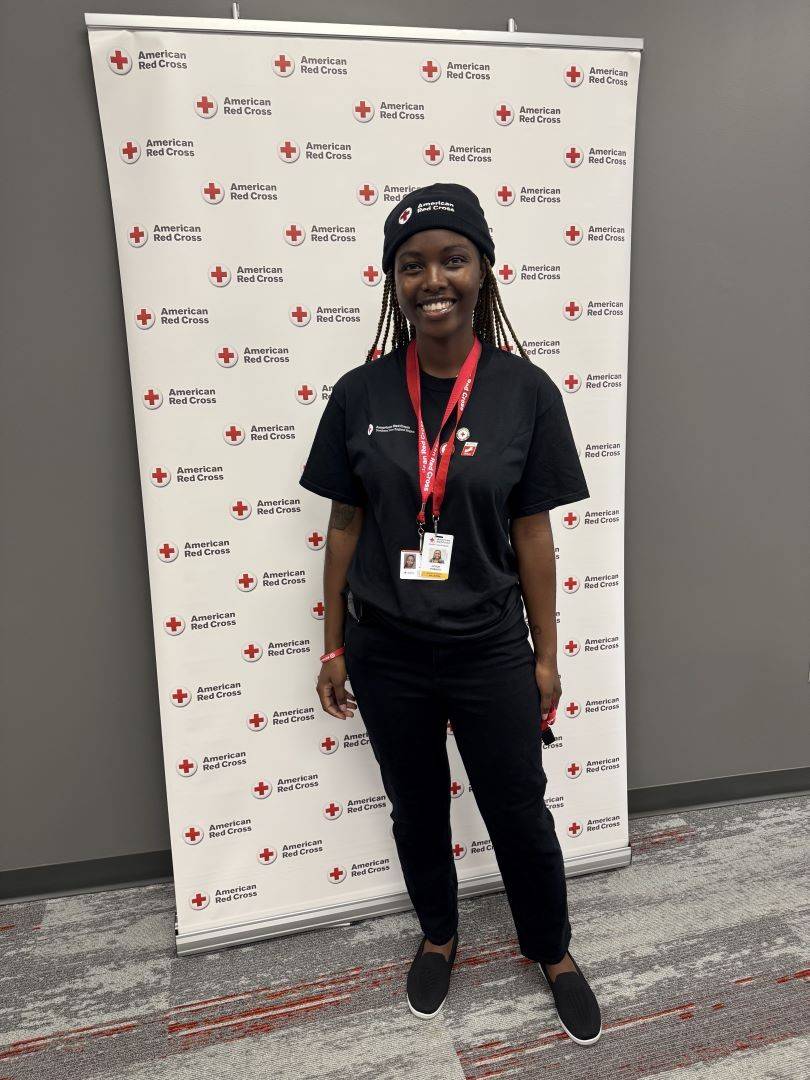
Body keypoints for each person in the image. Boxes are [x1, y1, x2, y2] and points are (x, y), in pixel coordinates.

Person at [299, 182, 602, 1045]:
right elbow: (345, 524)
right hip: (386, 649)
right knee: (416, 805)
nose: (434, 278)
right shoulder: (360, 393)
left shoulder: (525, 393)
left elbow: (533, 534)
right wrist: (332, 648)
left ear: (483, 272)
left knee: (518, 809)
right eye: (412, 264)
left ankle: (552, 950)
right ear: (393, 282)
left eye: (452, 259)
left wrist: (545, 658)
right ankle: (439, 933)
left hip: (487, 649)